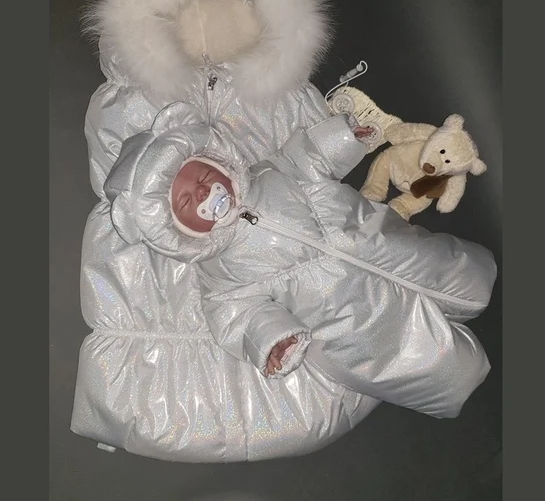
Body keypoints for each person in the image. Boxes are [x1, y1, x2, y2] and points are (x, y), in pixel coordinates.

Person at [106, 111, 496, 418]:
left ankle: (478, 282)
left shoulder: (272, 174)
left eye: (204, 176)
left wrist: (345, 137)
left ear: (219, 161)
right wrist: (274, 341)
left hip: (381, 243)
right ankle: (455, 378)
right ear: (175, 228)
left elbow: (308, 154)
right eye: (188, 201)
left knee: (457, 269)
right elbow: (238, 317)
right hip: (354, 323)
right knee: (428, 366)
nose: (205, 191)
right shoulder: (218, 274)